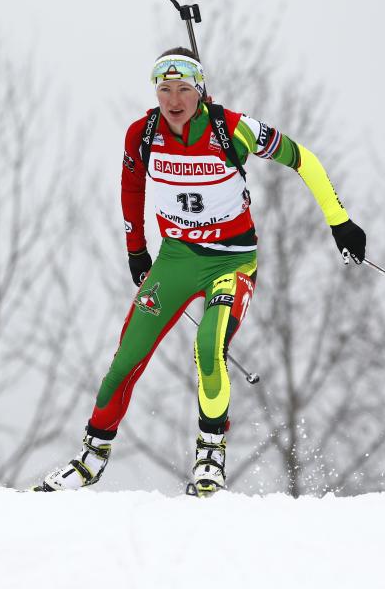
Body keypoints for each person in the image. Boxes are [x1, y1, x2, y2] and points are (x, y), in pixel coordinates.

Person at [34, 48, 366, 496]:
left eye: (184, 90)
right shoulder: (142, 134)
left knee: (208, 346)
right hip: (177, 258)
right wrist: (137, 250)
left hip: (232, 260)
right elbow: (131, 188)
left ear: (200, 90)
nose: (174, 100)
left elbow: (301, 158)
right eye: (165, 89)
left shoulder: (233, 129)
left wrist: (339, 220)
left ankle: (210, 455)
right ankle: (90, 459)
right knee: (125, 360)